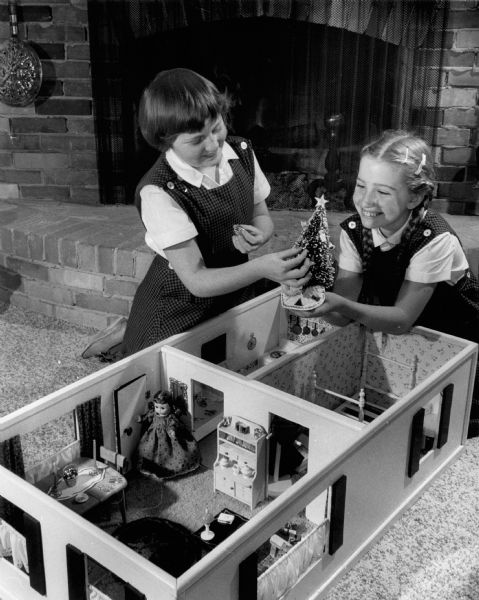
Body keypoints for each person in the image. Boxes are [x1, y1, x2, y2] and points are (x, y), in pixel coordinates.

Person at [289, 130, 479, 437]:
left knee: (444, 425)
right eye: (362, 186)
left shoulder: (434, 238)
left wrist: (343, 304)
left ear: (415, 197)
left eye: (384, 192)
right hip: (401, 325)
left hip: (453, 331)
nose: (366, 201)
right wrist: (315, 300)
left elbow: (402, 320)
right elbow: (343, 311)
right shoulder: (354, 230)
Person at [121, 68, 310, 355]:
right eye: (197, 140)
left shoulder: (241, 152)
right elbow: (196, 280)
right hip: (179, 310)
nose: (213, 145)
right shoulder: (159, 191)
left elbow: (262, 217)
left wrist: (261, 234)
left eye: (216, 128)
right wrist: (261, 268)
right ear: (165, 140)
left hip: (230, 294)